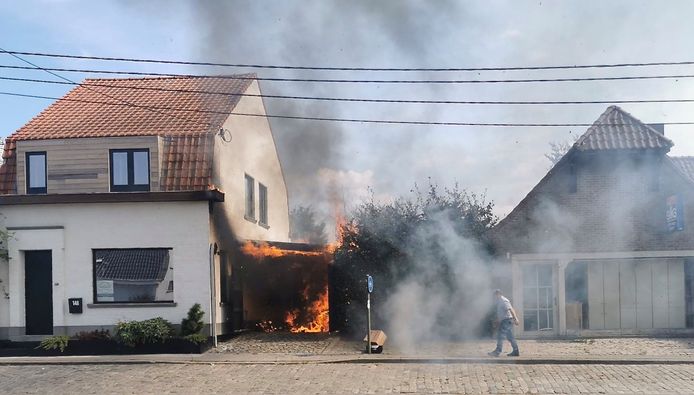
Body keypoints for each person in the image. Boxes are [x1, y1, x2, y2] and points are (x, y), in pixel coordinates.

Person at [488, 289, 520, 357]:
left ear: (499, 294)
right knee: (510, 337)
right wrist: (498, 321)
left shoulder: (504, 300)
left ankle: (497, 351)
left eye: (495, 295)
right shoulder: (500, 301)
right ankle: (516, 351)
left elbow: (511, 309)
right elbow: (502, 313)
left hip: (507, 320)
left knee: (500, 336)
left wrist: (515, 318)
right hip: (505, 320)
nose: (494, 297)